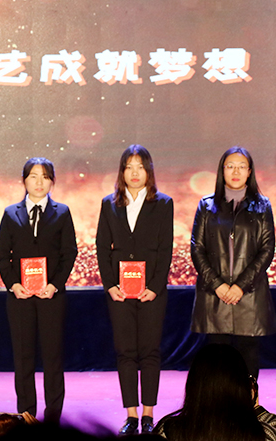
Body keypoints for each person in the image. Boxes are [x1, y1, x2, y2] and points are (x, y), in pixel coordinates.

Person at [96, 145, 174, 436]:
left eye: (140, 167)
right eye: (129, 167)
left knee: (150, 351)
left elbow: (165, 248)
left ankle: (148, 414)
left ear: (149, 171)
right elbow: (102, 247)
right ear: (122, 172)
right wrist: (110, 285)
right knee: (125, 352)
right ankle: (130, 415)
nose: (135, 173)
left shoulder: (163, 203)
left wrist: (154, 286)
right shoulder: (109, 204)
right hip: (120, 291)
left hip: (151, 291)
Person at [0, 157, 78, 423]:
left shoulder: (62, 212)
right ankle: (26, 416)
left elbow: (69, 253)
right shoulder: (11, 213)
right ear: (24, 180)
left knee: (53, 358)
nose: (39, 182)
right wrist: (13, 284)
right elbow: (2, 254)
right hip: (19, 298)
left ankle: (53, 418)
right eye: (33, 176)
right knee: (23, 358)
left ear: (52, 181)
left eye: (45, 176)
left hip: (52, 297)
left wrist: (54, 285)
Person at [190, 146, 276, 378]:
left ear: (249, 172)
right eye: (230, 166)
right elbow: (197, 249)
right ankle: (218, 402)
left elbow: (266, 250)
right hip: (214, 295)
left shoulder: (262, 206)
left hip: (249, 295)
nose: (236, 172)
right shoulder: (207, 205)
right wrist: (218, 285)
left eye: (241, 167)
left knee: (248, 356)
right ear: (222, 170)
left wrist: (240, 286)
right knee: (217, 359)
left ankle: (248, 401)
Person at [154, 344, 276, 441]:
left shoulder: (167, 432)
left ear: (193, 386)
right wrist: (257, 409)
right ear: (244, 388)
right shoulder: (265, 435)